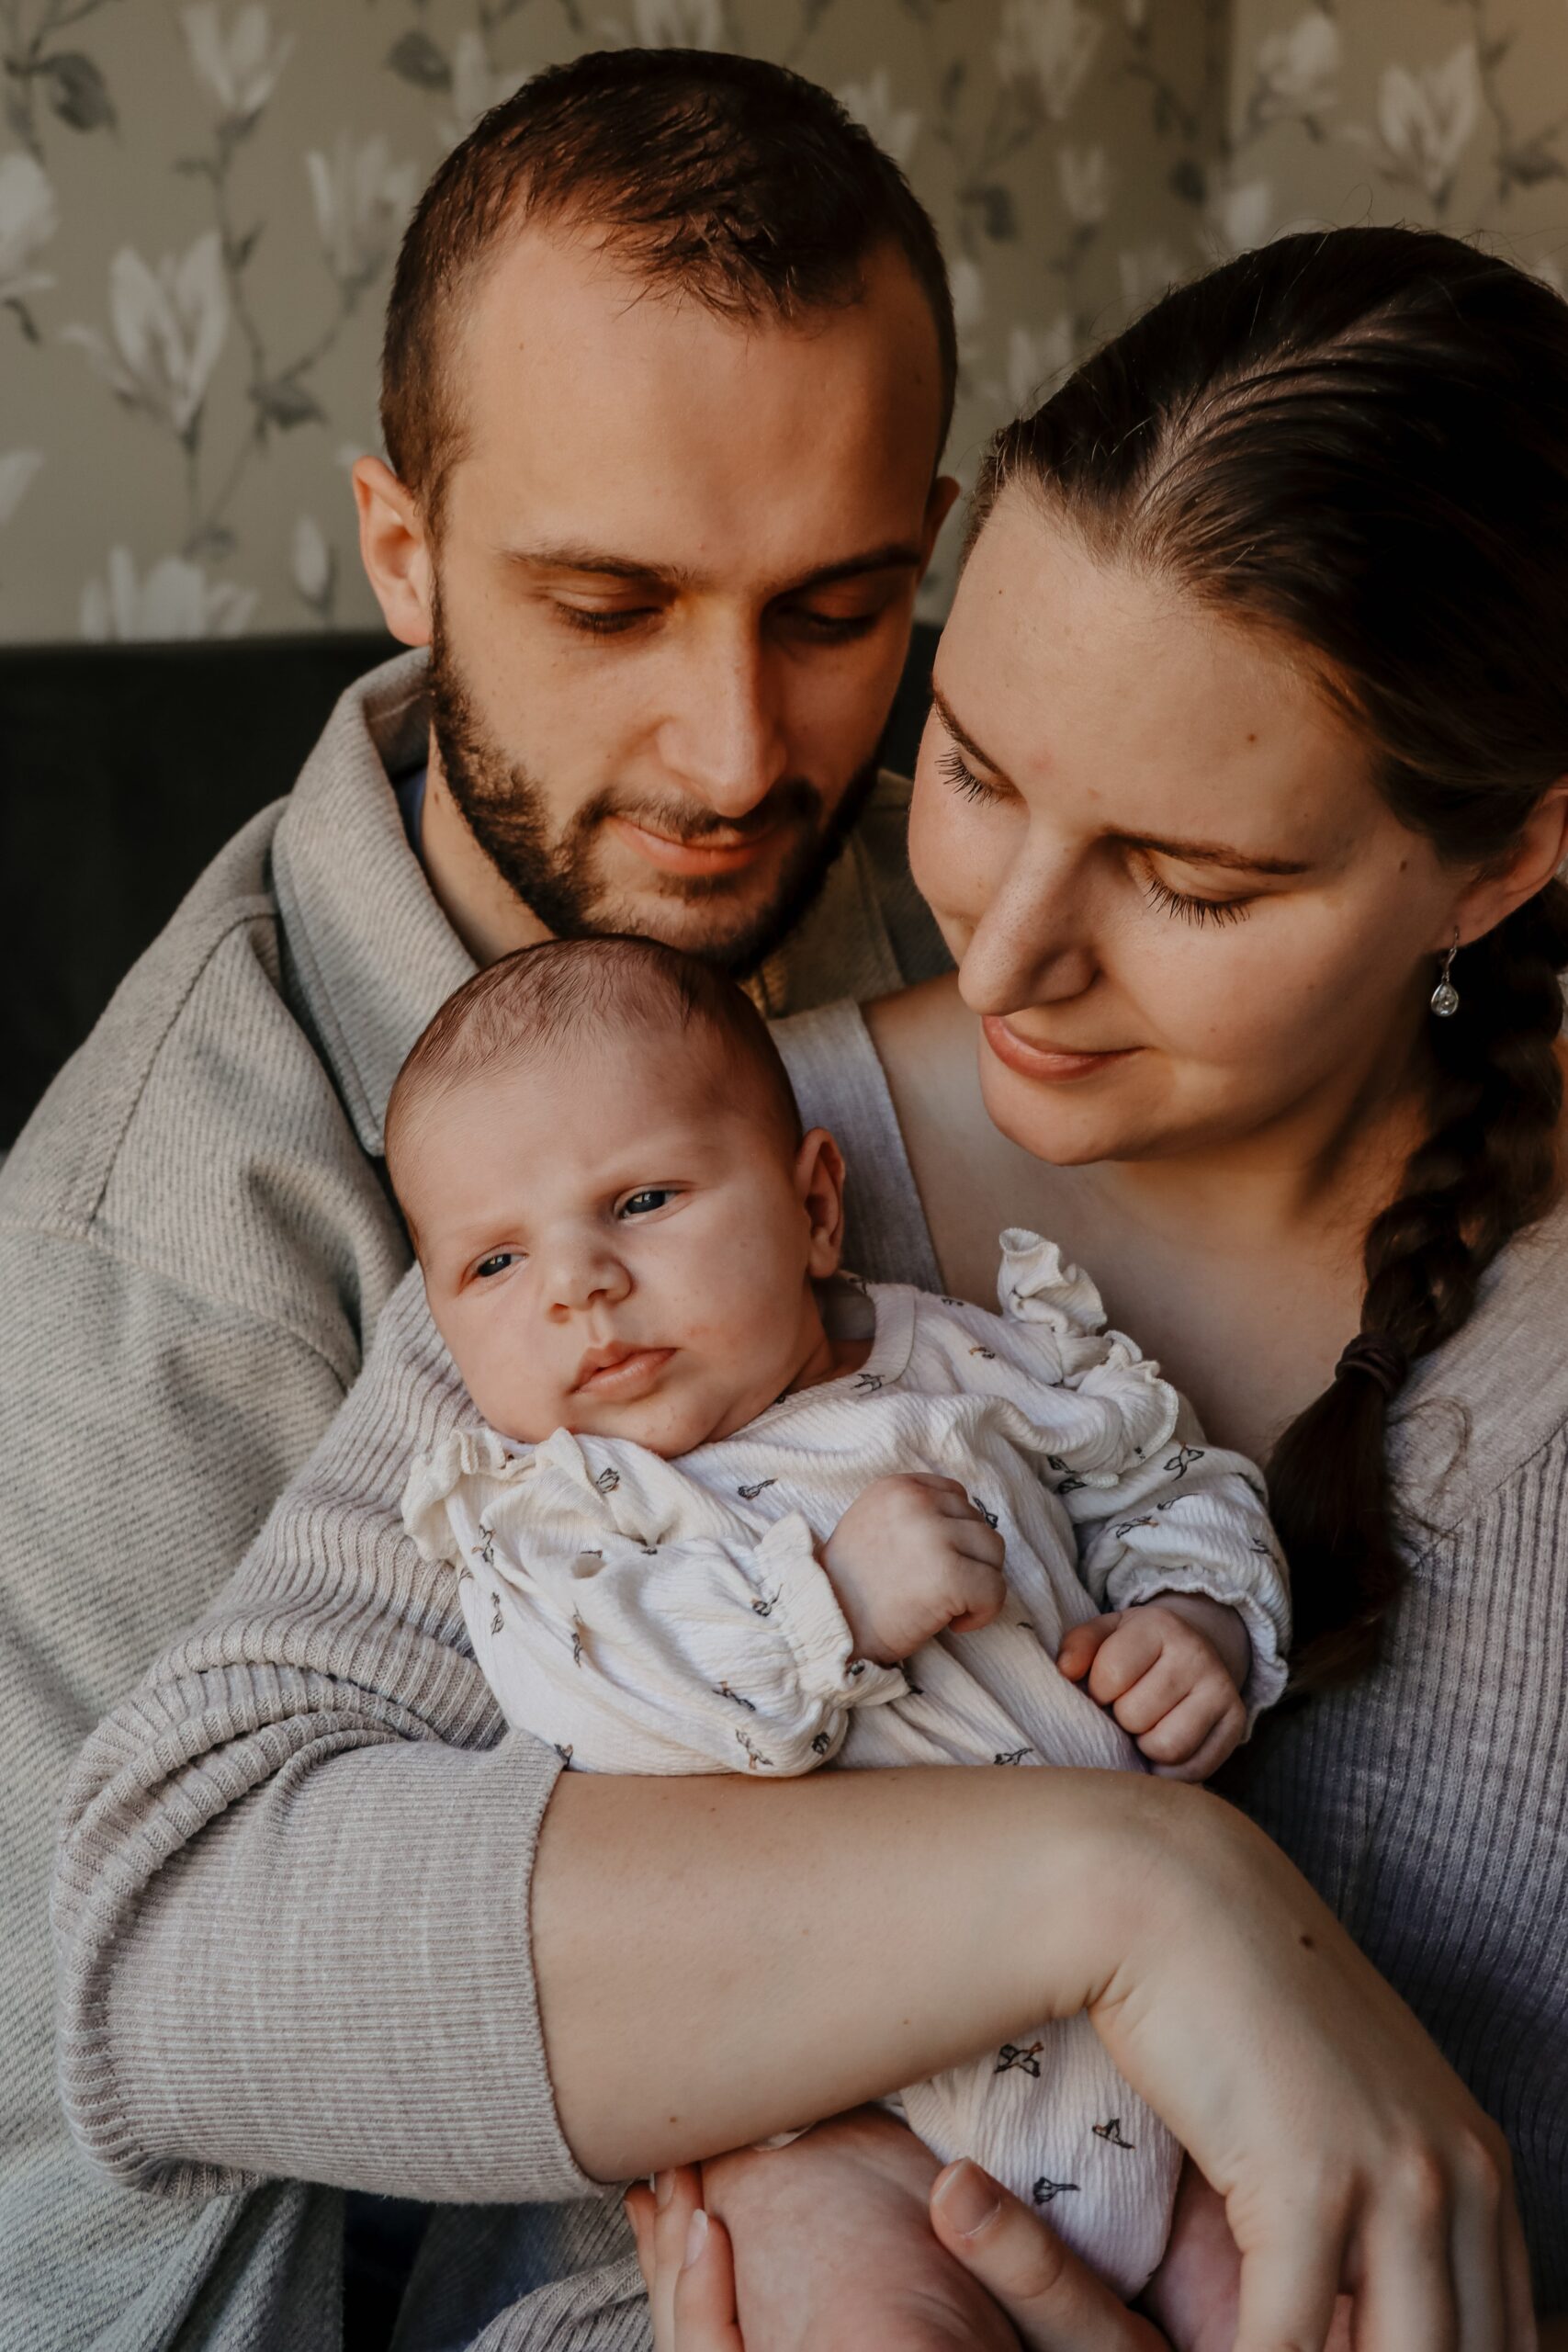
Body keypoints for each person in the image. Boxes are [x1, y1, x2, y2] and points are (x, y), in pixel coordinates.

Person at [39, 212, 1547, 2352]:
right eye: (980, 768)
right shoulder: (662, 1204)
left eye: (1187, 878)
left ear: (1498, 861)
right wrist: (1129, 1893)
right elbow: (172, 1944)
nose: (999, 954)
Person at [2, 47, 963, 2350]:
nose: (740, 759)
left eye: (835, 607)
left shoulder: (954, 898)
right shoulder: (141, 1267)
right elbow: (90, 2228)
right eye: (614, 605)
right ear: (401, 552)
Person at [386, 934, 1288, 2298]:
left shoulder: (961, 1359)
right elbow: (604, 1709)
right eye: (495, 1264)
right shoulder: (565, 1518)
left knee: (1314, 2301)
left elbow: (1159, 1471)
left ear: (815, 1208)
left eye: (640, 1198)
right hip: (842, 2114)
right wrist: (835, 1605)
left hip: (1152, 2051)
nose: (576, 1283)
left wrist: (1196, 1612)